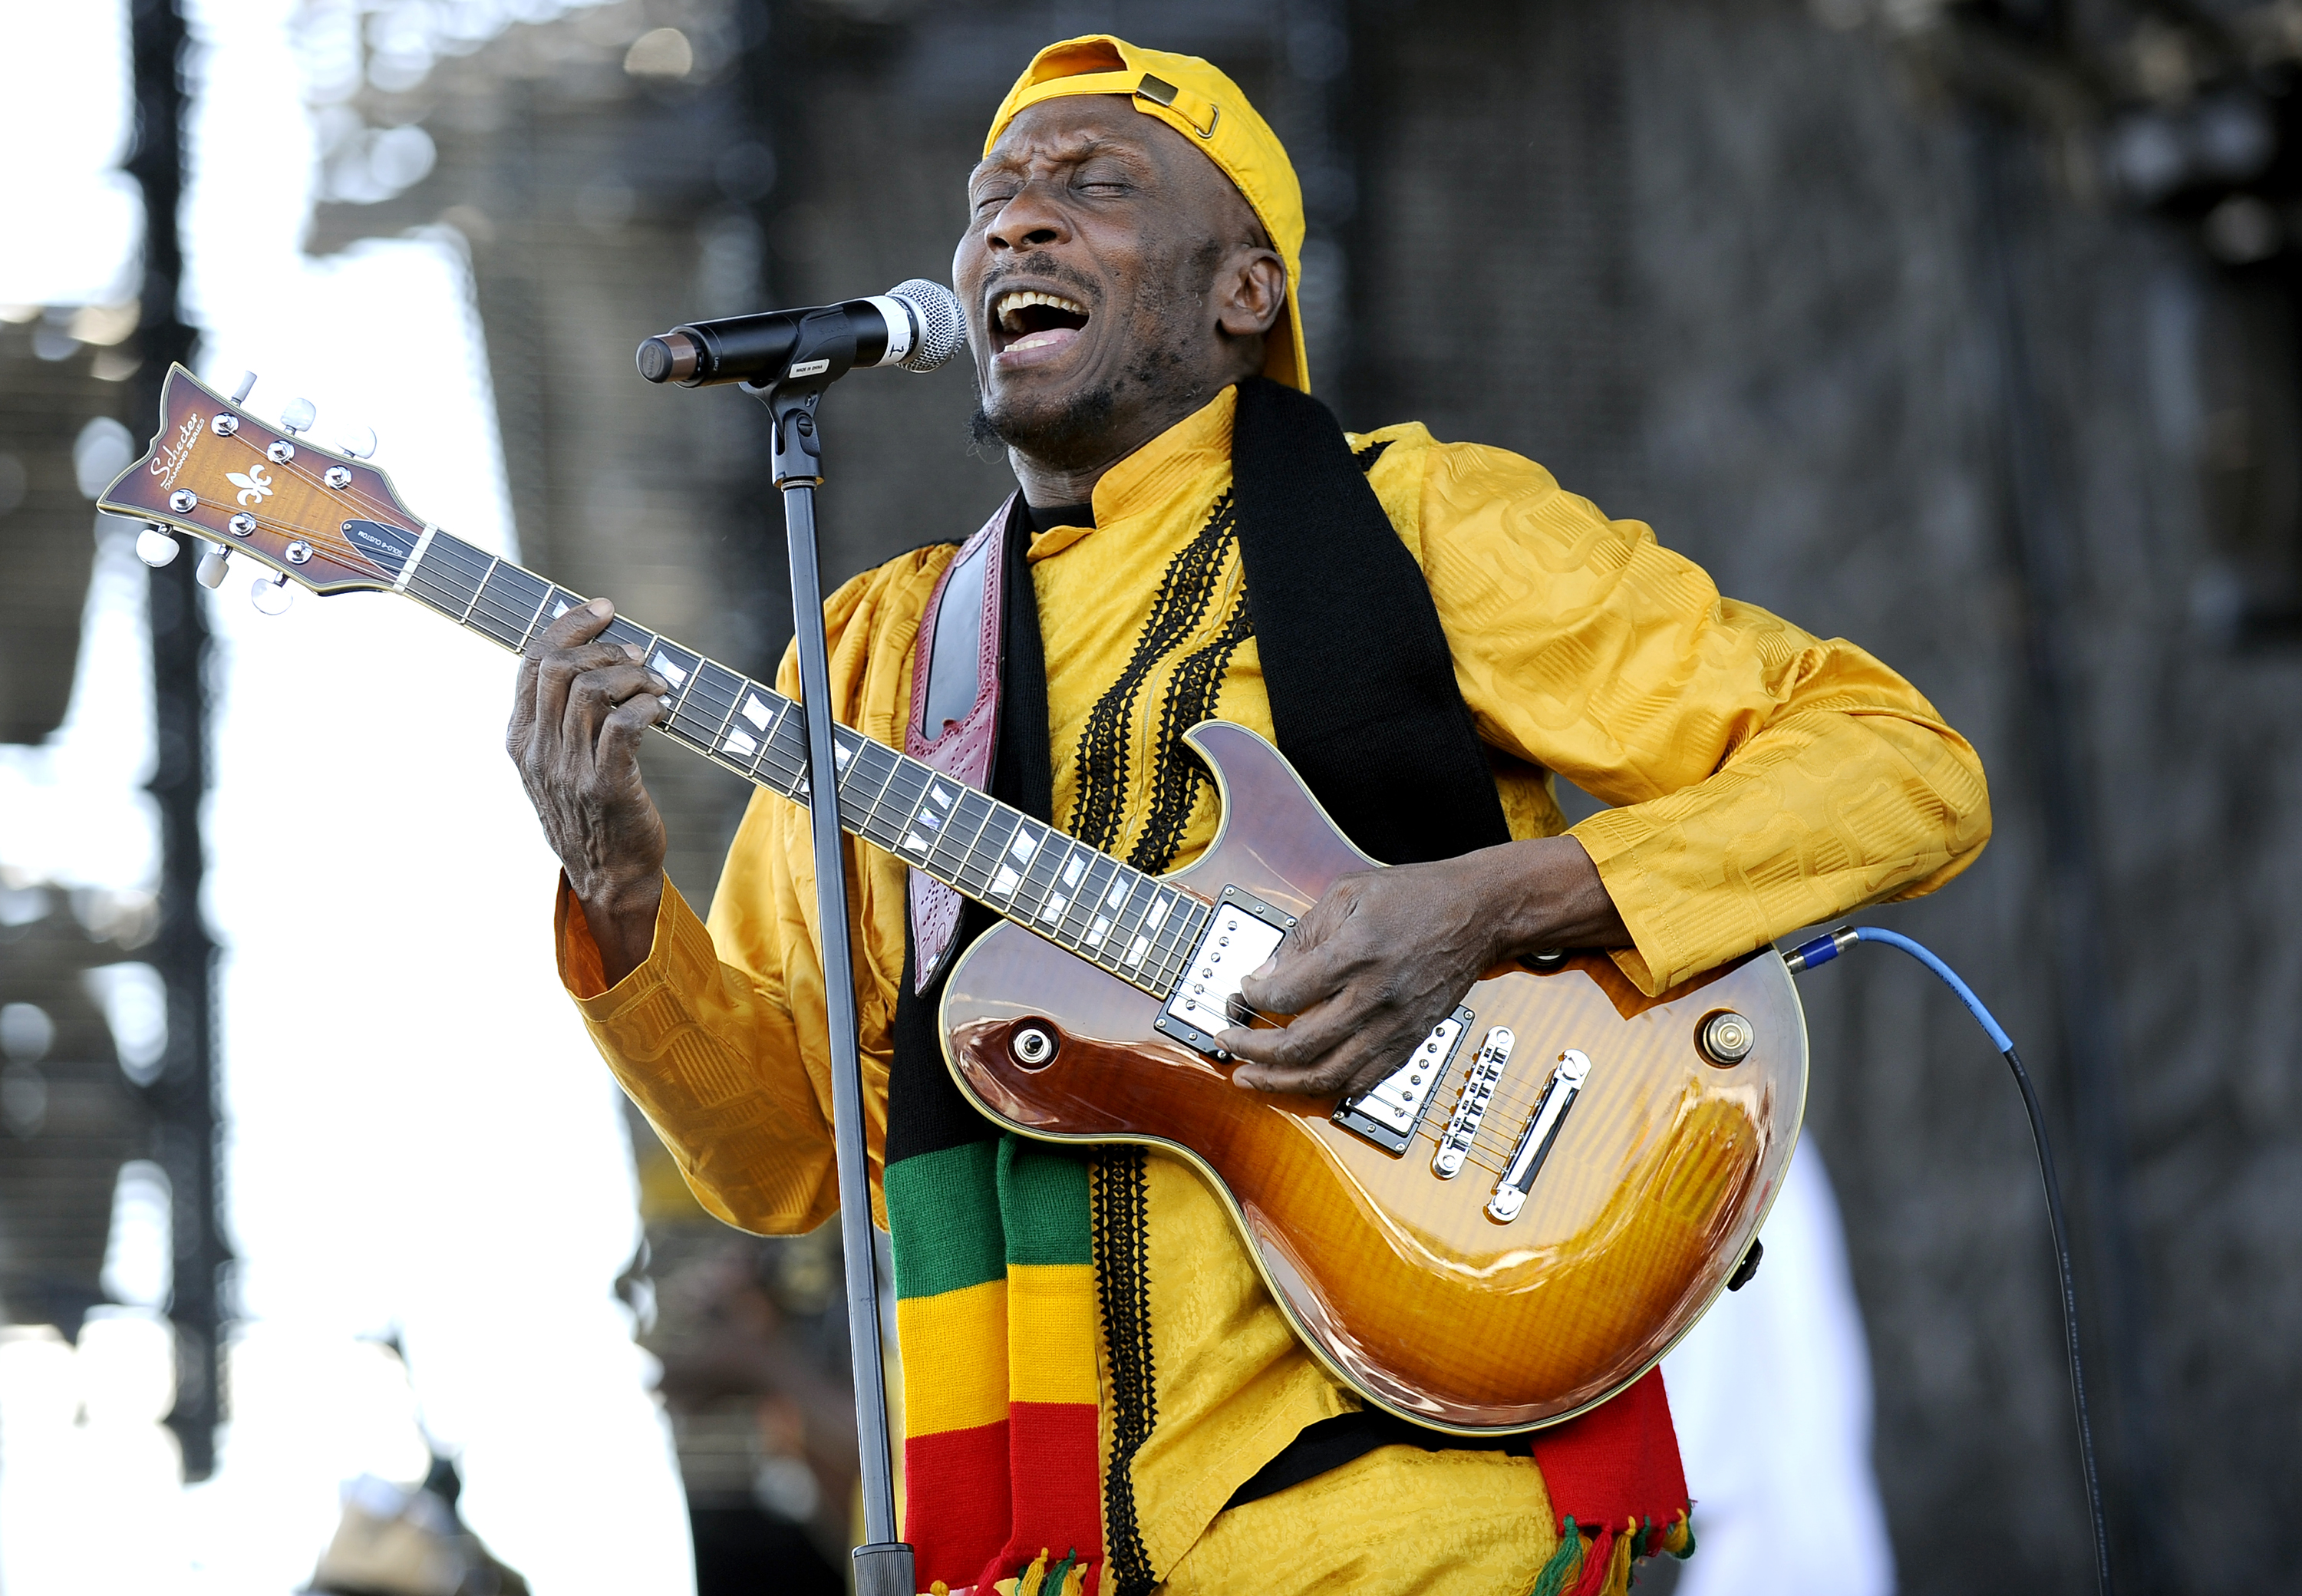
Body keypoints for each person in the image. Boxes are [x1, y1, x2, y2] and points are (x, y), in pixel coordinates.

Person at [506, 36, 1990, 1596]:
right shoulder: (875, 656)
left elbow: (1894, 763)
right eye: (994, 194)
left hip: (1417, 1520)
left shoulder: (1421, 520)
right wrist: (615, 897)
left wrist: (1493, 904)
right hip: (1031, 1553)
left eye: (1094, 185)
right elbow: (782, 1161)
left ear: (1245, 292)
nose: (1016, 221)